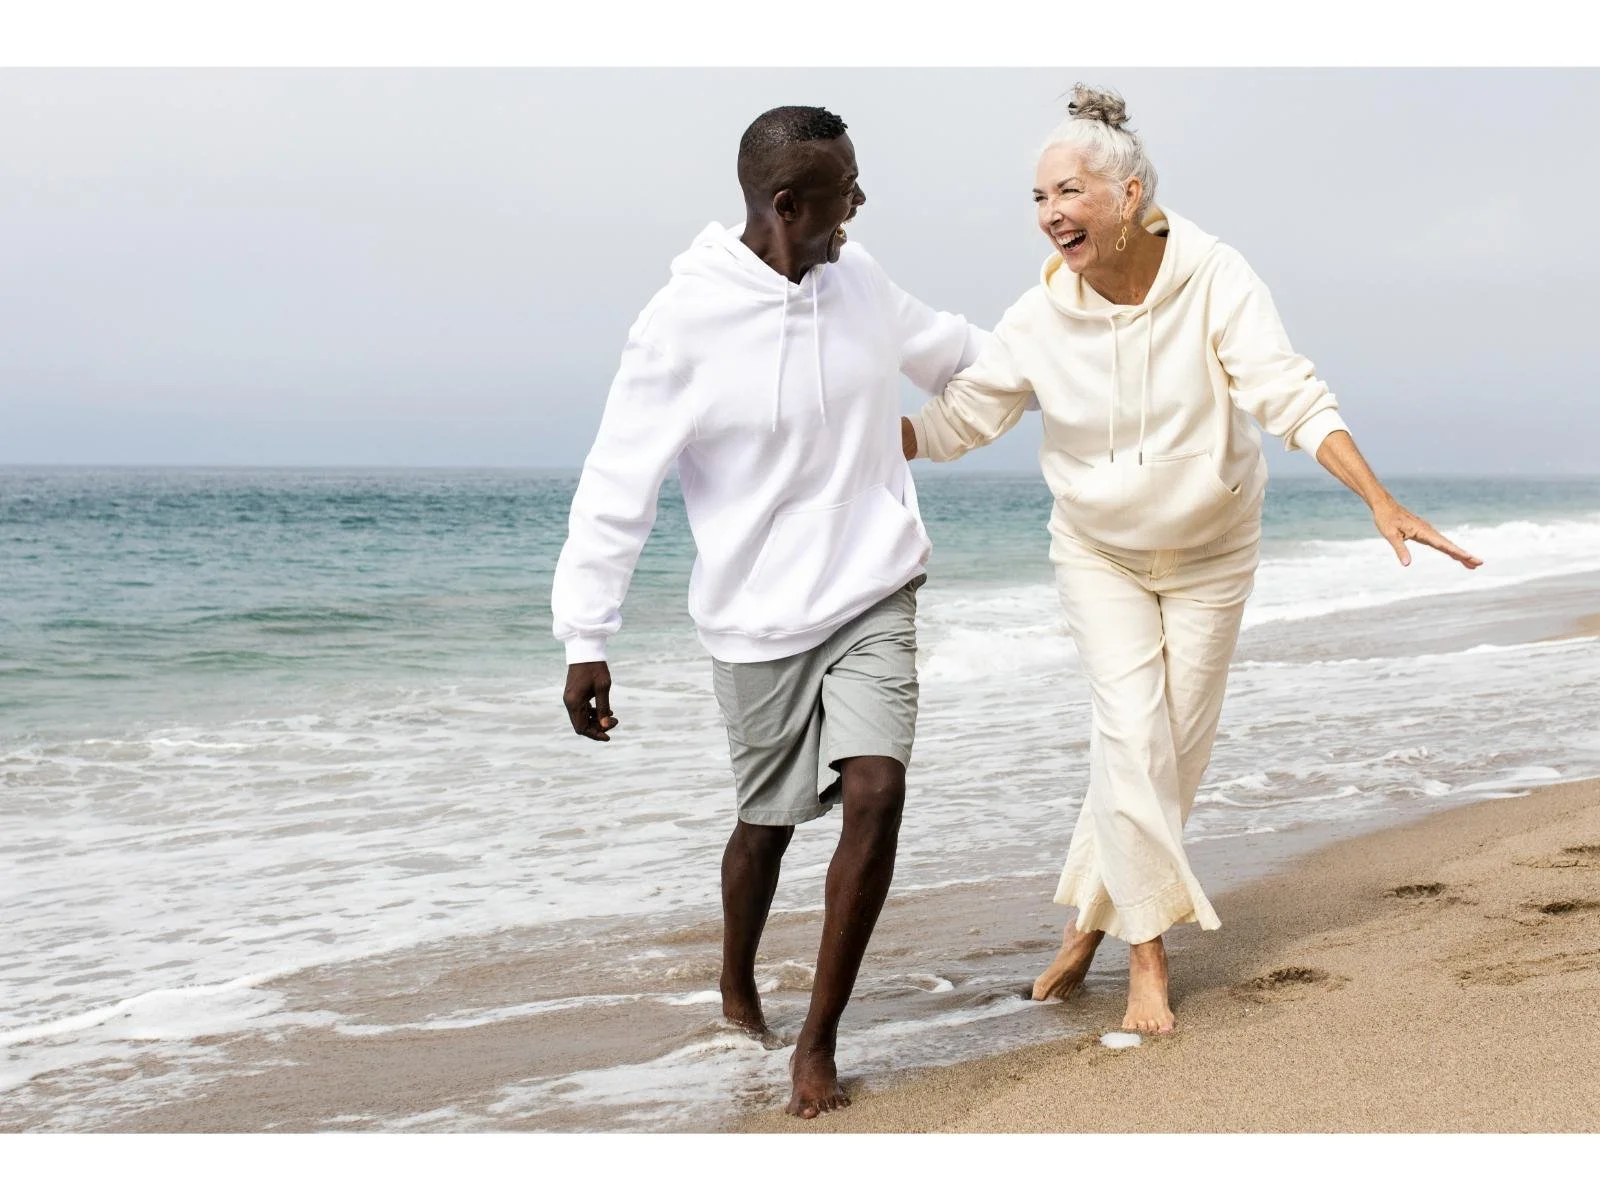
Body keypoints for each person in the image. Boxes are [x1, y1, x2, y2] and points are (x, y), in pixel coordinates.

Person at [902, 85, 1481, 1035]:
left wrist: (1379, 499)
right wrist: (866, 435)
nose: (1051, 214)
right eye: (1040, 197)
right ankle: (1148, 959)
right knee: (1132, 737)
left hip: (1213, 551)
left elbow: (1289, 395)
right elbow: (963, 417)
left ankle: (1086, 928)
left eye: (1070, 192)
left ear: (1129, 196)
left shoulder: (1215, 276)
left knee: (1168, 756)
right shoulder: (1037, 318)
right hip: (1100, 552)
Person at [552, 106, 984, 1117]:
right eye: (844, 192)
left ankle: (817, 1042)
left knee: (877, 789)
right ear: (786, 206)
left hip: (873, 584)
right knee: (768, 825)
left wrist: (1088, 361)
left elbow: (962, 352)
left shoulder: (859, 278)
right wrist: (586, 636)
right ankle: (737, 978)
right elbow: (618, 482)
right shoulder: (682, 324)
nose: (860, 204)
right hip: (756, 615)